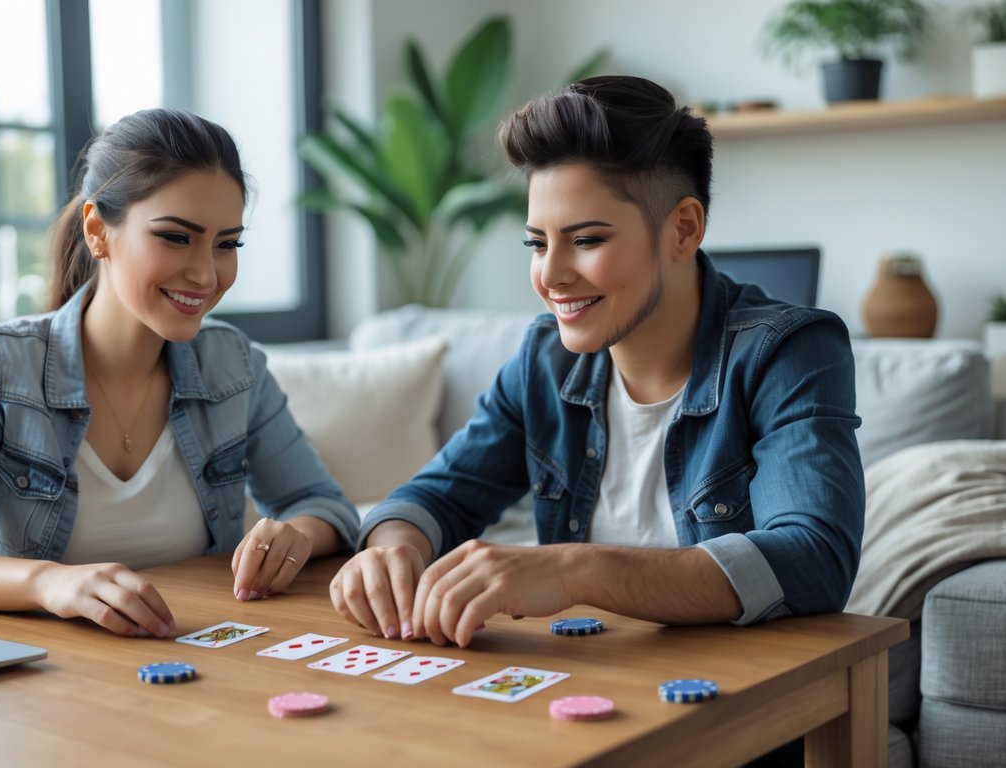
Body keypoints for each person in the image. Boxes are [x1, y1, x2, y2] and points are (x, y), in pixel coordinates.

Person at [330, 76, 864, 650]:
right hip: (584, 685)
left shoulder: (787, 351)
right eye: (537, 243)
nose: (551, 275)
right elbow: (435, 497)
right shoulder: (545, 359)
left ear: (682, 228)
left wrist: (570, 570)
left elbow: (814, 558)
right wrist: (392, 549)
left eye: (585, 240)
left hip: (737, 702)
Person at [0, 108, 359, 638]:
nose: (206, 273)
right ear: (98, 232)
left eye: (227, 244)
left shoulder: (235, 364)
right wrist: (50, 584)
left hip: (196, 654)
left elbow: (324, 506)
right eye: (176, 237)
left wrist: (296, 535)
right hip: (48, 678)